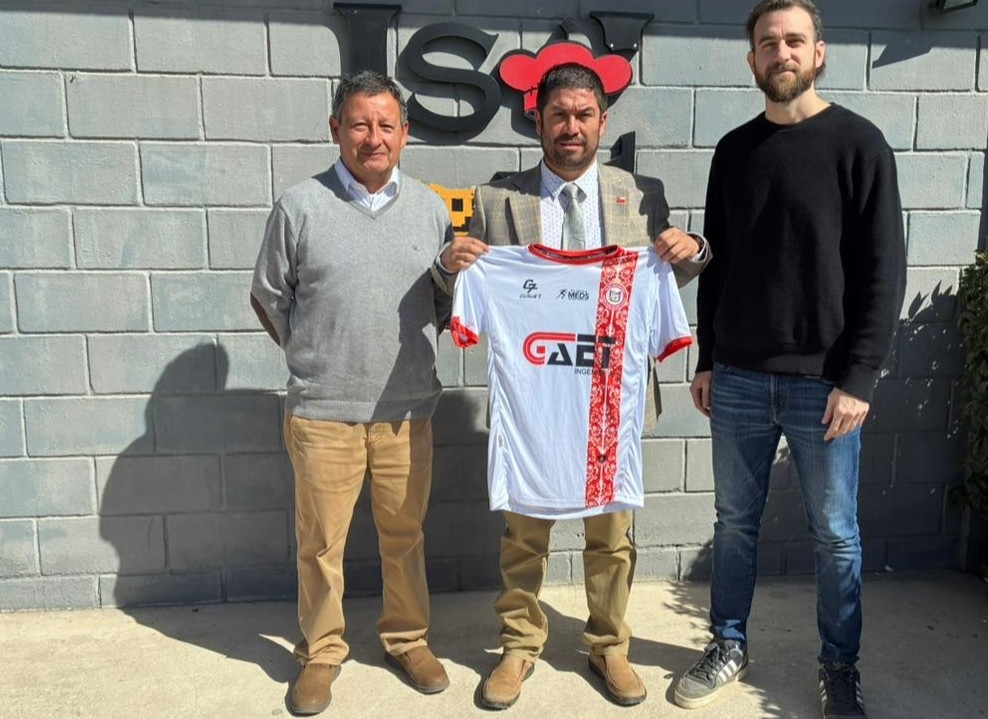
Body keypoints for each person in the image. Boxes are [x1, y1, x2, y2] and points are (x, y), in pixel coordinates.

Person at [434, 62, 710, 710]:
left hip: (612, 402)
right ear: (538, 121)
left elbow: (662, 280)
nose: (571, 127)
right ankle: (519, 644)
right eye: (558, 114)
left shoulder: (641, 194)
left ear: (602, 123)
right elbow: (463, 287)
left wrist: (693, 248)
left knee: (612, 536)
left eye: (584, 115)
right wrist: (449, 266)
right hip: (535, 406)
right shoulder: (496, 200)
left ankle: (609, 643)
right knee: (524, 535)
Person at [672, 2, 905, 718]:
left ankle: (839, 665)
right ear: (752, 61)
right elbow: (717, 263)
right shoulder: (733, 151)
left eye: (794, 40)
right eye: (768, 43)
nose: (782, 53)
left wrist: (859, 379)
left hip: (825, 385)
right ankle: (728, 642)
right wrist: (709, 358)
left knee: (836, 535)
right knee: (734, 522)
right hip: (739, 377)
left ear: (819, 52)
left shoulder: (860, 145)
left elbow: (884, 271)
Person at [250, 70, 454, 716]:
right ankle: (321, 651)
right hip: (322, 412)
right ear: (336, 129)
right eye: (360, 124)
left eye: (386, 125)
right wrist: (312, 355)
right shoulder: (299, 206)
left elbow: (445, 303)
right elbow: (268, 296)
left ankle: (407, 638)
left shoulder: (430, 209)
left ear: (405, 134)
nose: (374, 137)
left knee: (405, 535)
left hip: (406, 411)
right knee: (320, 545)